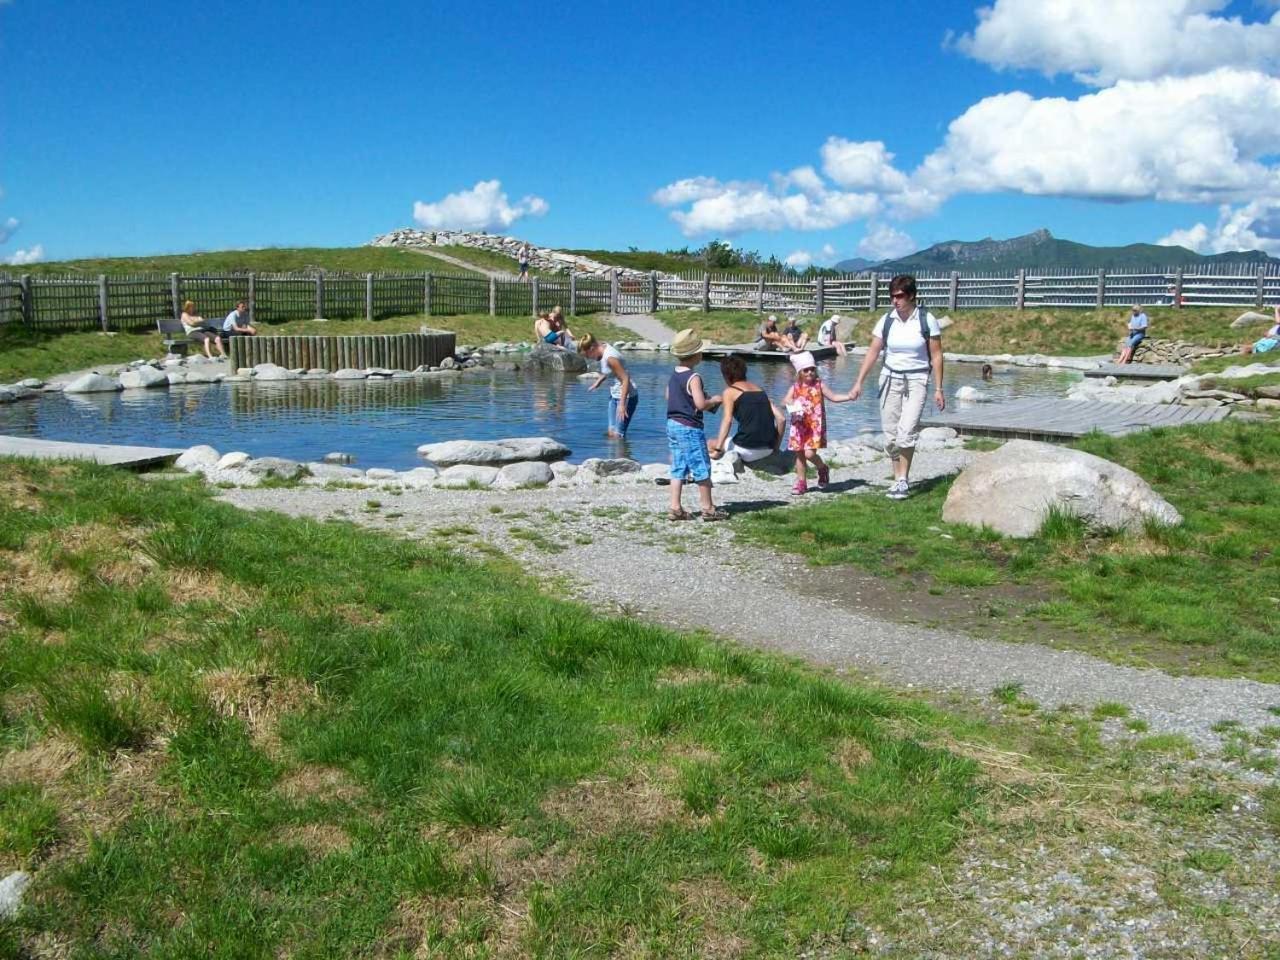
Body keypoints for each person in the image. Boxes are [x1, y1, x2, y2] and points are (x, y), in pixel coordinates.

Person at [846, 274, 945, 501]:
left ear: (911, 296)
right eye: (892, 296)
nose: (895, 301)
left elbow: (937, 356)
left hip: (917, 379)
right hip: (890, 378)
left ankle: (903, 480)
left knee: (906, 431)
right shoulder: (886, 320)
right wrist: (859, 382)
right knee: (890, 436)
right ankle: (896, 477)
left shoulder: (926, 319)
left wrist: (939, 389)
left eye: (899, 296)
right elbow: (873, 351)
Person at [664, 328, 727, 521]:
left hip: (672, 424)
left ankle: (675, 507)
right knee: (701, 465)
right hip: (690, 427)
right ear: (696, 355)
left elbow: (667, 395)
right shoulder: (694, 377)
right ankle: (708, 508)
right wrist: (714, 400)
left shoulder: (675, 374)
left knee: (678, 466)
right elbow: (700, 404)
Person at [783, 351, 850, 495]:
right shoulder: (795, 387)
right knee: (800, 455)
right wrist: (791, 403)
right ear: (799, 372)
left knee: (809, 454)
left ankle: (822, 467)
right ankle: (802, 482)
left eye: (812, 369)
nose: (809, 372)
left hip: (814, 427)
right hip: (799, 426)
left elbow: (834, 397)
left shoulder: (819, 385)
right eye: (805, 370)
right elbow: (785, 400)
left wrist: (849, 396)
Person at [708, 354, 785, 465]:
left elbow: (727, 421)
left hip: (746, 450)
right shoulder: (760, 390)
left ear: (726, 376)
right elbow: (781, 419)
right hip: (768, 449)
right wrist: (775, 448)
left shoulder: (729, 392)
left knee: (710, 443)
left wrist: (718, 450)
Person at [579, 333, 638, 439]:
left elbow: (625, 378)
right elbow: (609, 370)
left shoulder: (610, 357)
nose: (589, 358)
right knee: (611, 432)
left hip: (627, 397)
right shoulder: (602, 347)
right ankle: (613, 455)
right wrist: (598, 382)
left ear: (592, 348)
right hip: (614, 395)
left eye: (587, 355)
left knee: (617, 435)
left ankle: (622, 454)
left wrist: (622, 404)